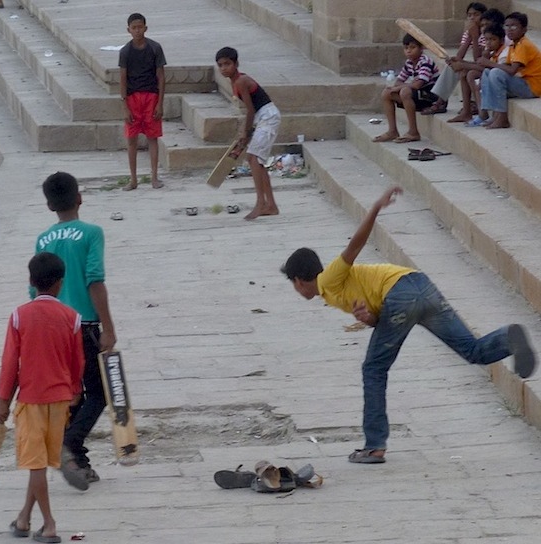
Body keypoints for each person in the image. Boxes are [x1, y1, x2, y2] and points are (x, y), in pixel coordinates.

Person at [281, 186, 537, 464]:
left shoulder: (328, 278)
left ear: (297, 281)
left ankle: (375, 446)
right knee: (471, 350)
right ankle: (508, 338)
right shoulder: (334, 292)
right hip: (420, 286)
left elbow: (354, 245)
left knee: (374, 368)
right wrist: (369, 319)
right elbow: (382, 317)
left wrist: (376, 208)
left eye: (293, 285)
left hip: (400, 293)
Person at [34, 171, 117, 490]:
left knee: (74, 394)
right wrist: (108, 327)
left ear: (48, 205)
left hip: (53, 328)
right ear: (79, 198)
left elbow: (36, 290)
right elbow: (94, 279)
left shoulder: (42, 239)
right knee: (99, 393)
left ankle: (77, 459)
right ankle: (69, 444)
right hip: (84, 326)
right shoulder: (91, 233)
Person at [0, 252, 85, 543]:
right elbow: (77, 362)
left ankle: (49, 525)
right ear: (60, 283)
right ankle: (23, 520)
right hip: (60, 400)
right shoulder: (72, 318)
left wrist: (2, 401)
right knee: (41, 463)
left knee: (35, 465)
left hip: (32, 399)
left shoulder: (20, 315)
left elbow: (11, 363)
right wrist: (73, 390)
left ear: (31, 281)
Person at [216, 46, 281, 220]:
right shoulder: (234, 81)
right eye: (220, 65)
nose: (224, 68)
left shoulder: (241, 81)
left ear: (236, 63)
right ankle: (271, 205)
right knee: (255, 160)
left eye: (227, 64)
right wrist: (248, 131)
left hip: (268, 116)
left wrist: (245, 133)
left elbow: (250, 110)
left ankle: (261, 203)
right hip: (263, 118)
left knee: (253, 159)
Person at [119, 13, 167, 190]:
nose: (137, 31)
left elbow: (161, 76)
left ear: (145, 28)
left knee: (152, 138)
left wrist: (160, 103)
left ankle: (154, 177)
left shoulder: (155, 48)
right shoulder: (125, 52)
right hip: (132, 98)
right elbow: (123, 78)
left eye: (140, 27)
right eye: (134, 28)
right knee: (131, 139)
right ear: (129, 30)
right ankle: (133, 179)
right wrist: (124, 106)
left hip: (151, 97)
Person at [421, 2, 487, 116]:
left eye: (476, 14)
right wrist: (470, 37)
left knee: (465, 69)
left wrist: (475, 37)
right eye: (469, 15)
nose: (472, 18)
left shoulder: (487, 32)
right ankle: (440, 102)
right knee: (453, 66)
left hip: (485, 66)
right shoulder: (470, 32)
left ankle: (472, 104)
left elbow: (478, 59)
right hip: (478, 64)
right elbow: (459, 56)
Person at [372, 34, 439, 144]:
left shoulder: (426, 62)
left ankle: (413, 132)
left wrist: (403, 86)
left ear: (421, 48)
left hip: (432, 97)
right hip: (419, 94)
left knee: (405, 91)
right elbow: (399, 81)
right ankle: (392, 131)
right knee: (386, 93)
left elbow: (418, 85)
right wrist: (400, 86)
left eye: (413, 48)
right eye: (406, 48)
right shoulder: (409, 63)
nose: (409, 51)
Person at [479, 12, 541, 129]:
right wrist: (489, 63)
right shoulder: (514, 45)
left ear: (524, 29)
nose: (509, 30)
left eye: (514, 27)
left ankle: (502, 117)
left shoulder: (524, 45)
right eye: (507, 26)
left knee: (495, 72)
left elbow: (512, 70)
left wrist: (489, 63)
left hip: (532, 87)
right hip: (522, 83)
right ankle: (493, 114)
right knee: (488, 72)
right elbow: (506, 66)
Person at [444, 8, 506, 123]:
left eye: (487, 24)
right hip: (491, 70)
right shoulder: (488, 38)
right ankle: (466, 112)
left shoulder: (498, 39)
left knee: (471, 73)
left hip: (499, 75)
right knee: (463, 72)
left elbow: (484, 65)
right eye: (482, 25)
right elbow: (480, 61)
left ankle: (482, 112)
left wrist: (475, 38)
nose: (483, 28)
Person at [465, 22, 508, 126]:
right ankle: (482, 113)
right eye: (487, 40)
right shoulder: (492, 53)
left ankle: (493, 115)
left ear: (501, 40)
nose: (489, 43)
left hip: (506, 83)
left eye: (493, 40)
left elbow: (499, 72)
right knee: (476, 78)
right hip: (496, 80)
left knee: (485, 77)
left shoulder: (504, 53)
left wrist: (487, 62)